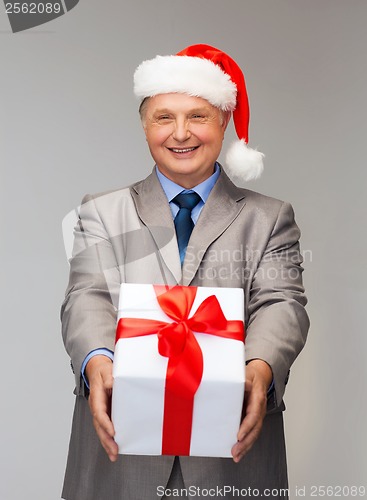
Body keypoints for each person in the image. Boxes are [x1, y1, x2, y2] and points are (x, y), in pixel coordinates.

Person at [61, 44, 309, 500]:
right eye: (163, 118)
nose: (180, 133)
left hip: (232, 459)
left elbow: (281, 302)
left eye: (197, 116)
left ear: (223, 123)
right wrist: (98, 360)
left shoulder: (270, 218)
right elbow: (87, 296)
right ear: (144, 125)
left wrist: (260, 369)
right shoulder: (102, 211)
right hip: (121, 456)